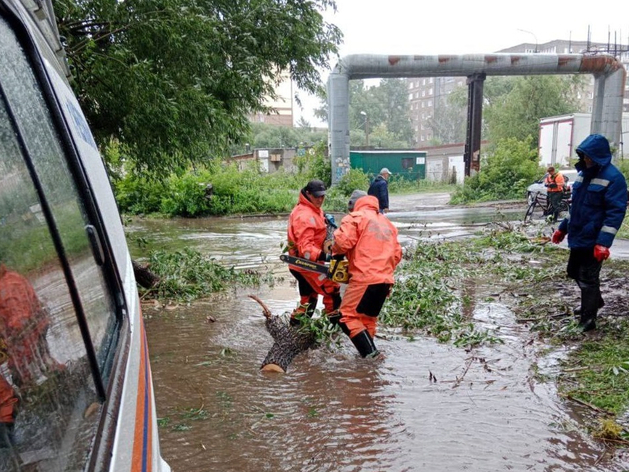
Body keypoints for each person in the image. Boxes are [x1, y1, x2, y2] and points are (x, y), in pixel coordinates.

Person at [551, 134, 627, 331]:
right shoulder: (584, 174)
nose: (585, 159)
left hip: (594, 239)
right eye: (583, 155)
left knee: (587, 277)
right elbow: (576, 207)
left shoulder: (614, 178)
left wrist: (603, 243)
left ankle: (588, 320)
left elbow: (614, 214)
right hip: (578, 235)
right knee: (573, 271)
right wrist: (562, 229)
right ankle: (594, 302)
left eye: (588, 156)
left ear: (598, 156)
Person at [330, 193, 402, 358]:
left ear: (355, 205)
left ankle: (372, 355)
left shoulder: (355, 217)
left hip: (365, 278)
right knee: (367, 320)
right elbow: (397, 254)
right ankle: (368, 367)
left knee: (346, 316)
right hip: (385, 280)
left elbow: (342, 243)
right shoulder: (387, 223)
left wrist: (334, 251)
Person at [286, 180, 341, 326]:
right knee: (331, 288)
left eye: (323, 196)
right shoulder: (304, 216)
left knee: (309, 298)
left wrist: (326, 221)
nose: (320, 199)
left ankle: (295, 330)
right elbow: (305, 249)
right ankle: (334, 328)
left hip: (305, 264)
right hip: (304, 264)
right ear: (308, 194)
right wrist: (325, 256)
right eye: (317, 196)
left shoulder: (313, 209)